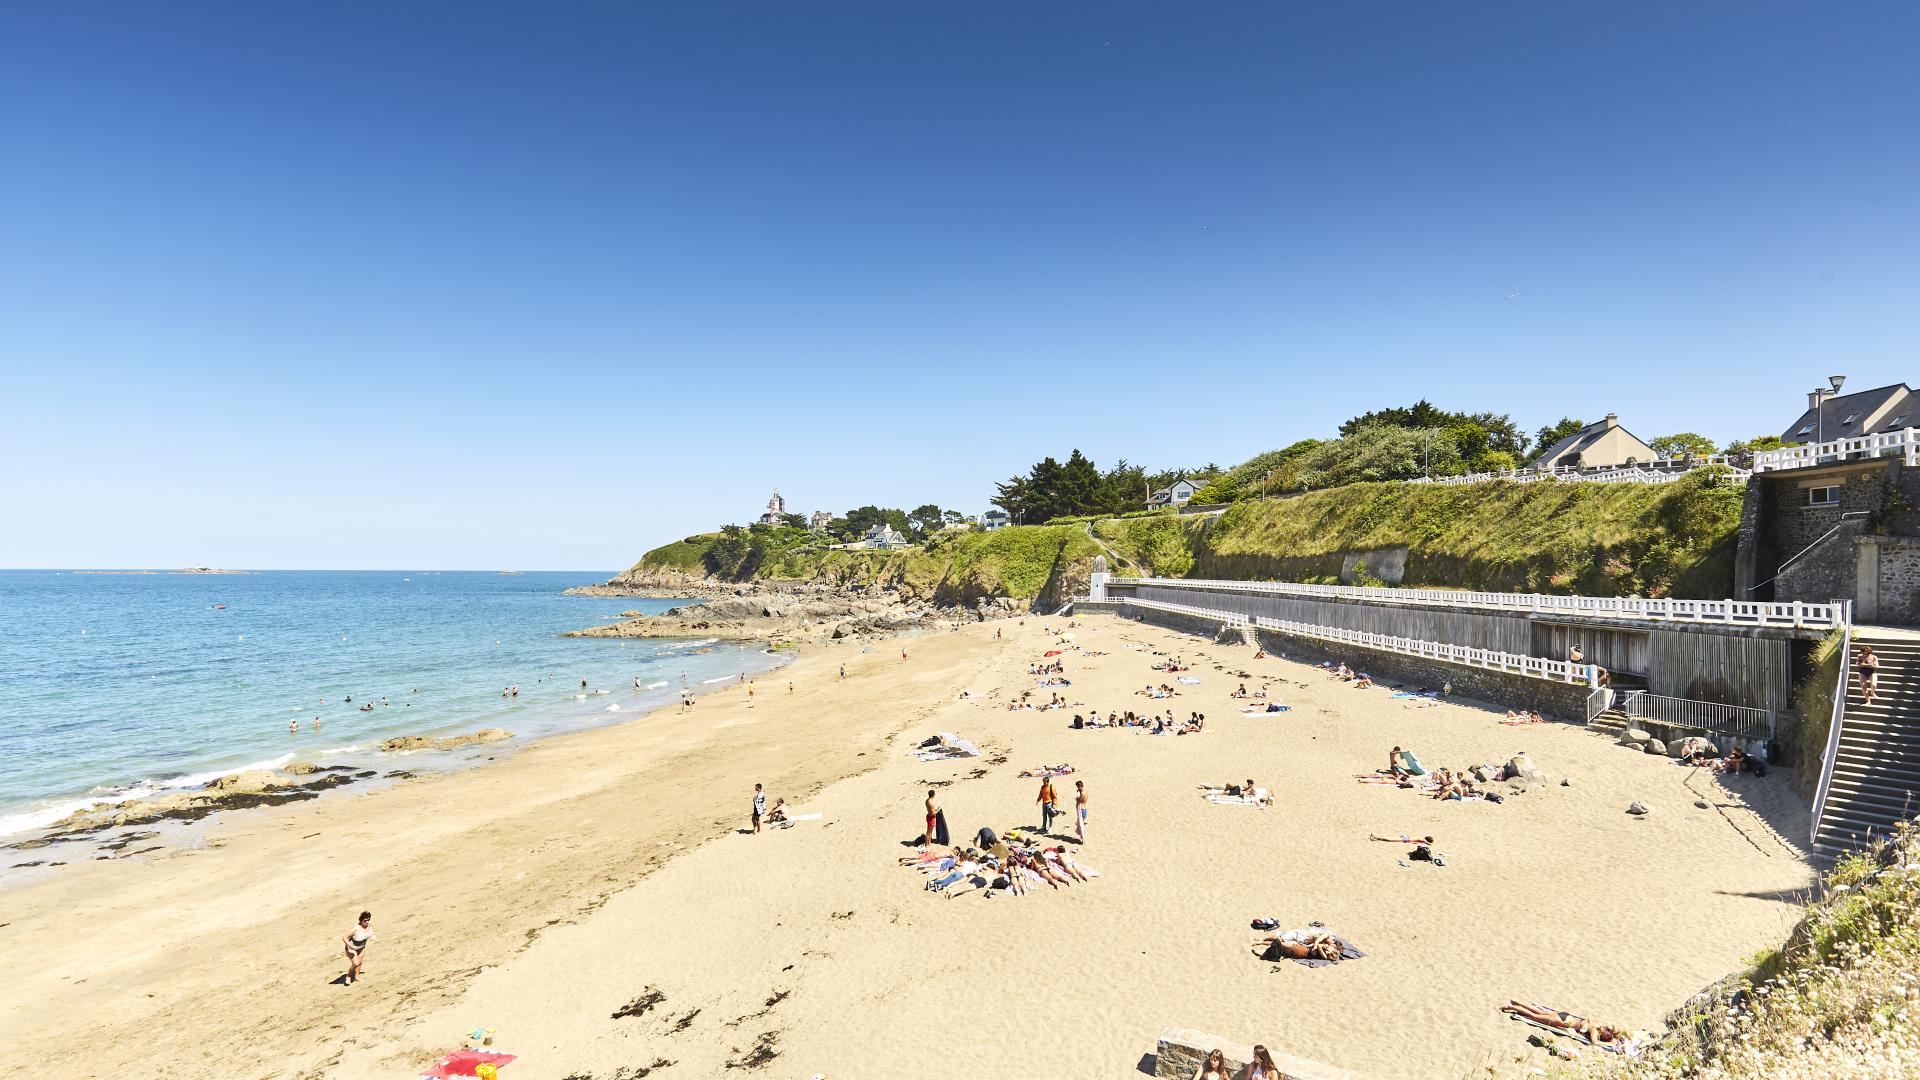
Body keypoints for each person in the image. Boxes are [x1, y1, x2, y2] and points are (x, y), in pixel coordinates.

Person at [1500, 1001, 1628, 1047]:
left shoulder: (1600, 1024)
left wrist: (1616, 1038)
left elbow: (1615, 1032)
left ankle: (1519, 1003)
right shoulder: (1595, 1030)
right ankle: (1512, 1007)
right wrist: (1607, 1043)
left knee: (1539, 1011)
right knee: (1534, 1016)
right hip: (1563, 1022)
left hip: (1566, 1016)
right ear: (1604, 1034)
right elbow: (1595, 1042)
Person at [342, 911, 373, 984]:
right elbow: (344, 937)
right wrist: (351, 946)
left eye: (368, 920)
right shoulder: (356, 928)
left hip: (361, 947)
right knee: (355, 963)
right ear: (361, 921)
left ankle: (356, 977)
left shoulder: (369, 925)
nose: (367, 922)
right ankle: (349, 976)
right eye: (365, 920)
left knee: (359, 962)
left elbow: (367, 934)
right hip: (351, 948)